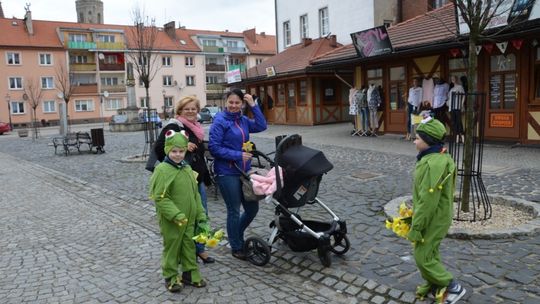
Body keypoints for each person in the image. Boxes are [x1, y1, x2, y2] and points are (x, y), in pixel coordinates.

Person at [408, 117, 466, 304]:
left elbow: (428, 200)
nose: (414, 141)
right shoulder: (436, 157)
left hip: (434, 217)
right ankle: (434, 283)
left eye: (417, 138)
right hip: (437, 215)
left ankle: (452, 286)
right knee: (430, 252)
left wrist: (416, 226)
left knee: (422, 256)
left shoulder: (433, 164)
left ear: (428, 140)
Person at [154, 96, 215, 264]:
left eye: (193, 108)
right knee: (184, 218)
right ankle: (184, 252)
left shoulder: (196, 128)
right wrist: (181, 147)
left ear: (197, 111)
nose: (190, 111)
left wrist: (206, 178)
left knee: (202, 216)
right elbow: (159, 148)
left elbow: (200, 156)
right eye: (186, 109)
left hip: (197, 179)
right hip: (181, 181)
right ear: (180, 110)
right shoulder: (174, 126)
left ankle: (200, 249)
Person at [208, 88, 267, 260]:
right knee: (234, 210)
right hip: (227, 172)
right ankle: (236, 246)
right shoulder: (220, 121)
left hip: (244, 171)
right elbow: (214, 148)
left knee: (252, 208)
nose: (234, 106)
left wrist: (253, 105)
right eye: (231, 102)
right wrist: (237, 155)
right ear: (226, 102)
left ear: (242, 104)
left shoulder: (242, 120)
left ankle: (235, 233)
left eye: (237, 103)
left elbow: (262, 125)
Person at [149, 130, 210, 292]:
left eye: (181, 151)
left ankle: (190, 274)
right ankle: (170, 276)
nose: (177, 155)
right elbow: (160, 197)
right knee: (172, 247)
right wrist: (176, 215)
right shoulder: (162, 170)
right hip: (172, 220)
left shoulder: (187, 169)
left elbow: (195, 194)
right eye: (174, 151)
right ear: (168, 150)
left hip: (189, 219)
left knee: (189, 246)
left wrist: (201, 214)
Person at [447, 76, 466, 143]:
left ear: (456, 79)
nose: (453, 80)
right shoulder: (451, 89)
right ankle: (457, 137)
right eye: (452, 79)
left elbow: (464, 95)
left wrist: (461, 104)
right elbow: (449, 98)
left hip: (457, 106)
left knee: (459, 122)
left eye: (454, 79)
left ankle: (462, 136)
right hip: (451, 107)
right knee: (454, 123)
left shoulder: (460, 87)